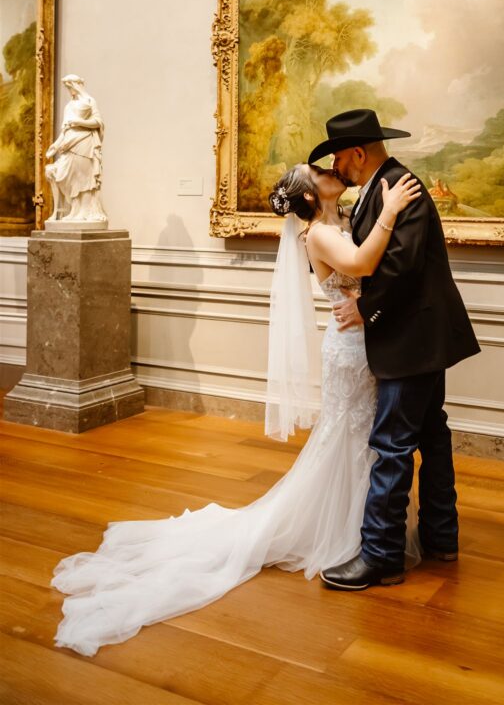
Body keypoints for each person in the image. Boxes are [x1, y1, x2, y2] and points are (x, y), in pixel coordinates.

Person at [50, 160, 421, 656]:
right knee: (349, 436)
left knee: (358, 436)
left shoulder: (339, 222)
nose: (332, 169)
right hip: (350, 351)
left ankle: (366, 528)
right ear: (310, 196)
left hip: (358, 342)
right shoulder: (319, 234)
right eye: (319, 171)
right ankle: (356, 534)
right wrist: (392, 210)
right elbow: (363, 266)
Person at [306, 108, 480, 591]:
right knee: (430, 434)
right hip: (421, 337)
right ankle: (441, 537)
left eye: (339, 157)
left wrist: (366, 309)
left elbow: (400, 267)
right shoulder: (380, 190)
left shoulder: (400, 189)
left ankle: (381, 558)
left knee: (392, 445)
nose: (336, 167)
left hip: (411, 338)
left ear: (358, 153)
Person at [45, 75, 106, 224]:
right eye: (67, 87)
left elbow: (98, 122)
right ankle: (75, 211)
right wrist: (56, 145)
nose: (69, 90)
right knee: (70, 177)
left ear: (77, 85)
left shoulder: (90, 101)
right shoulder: (69, 106)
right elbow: (65, 130)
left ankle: (85, 212)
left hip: (84, 142)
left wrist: (79, 122)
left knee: (83, 178)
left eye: (70, 86)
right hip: (69, 143)